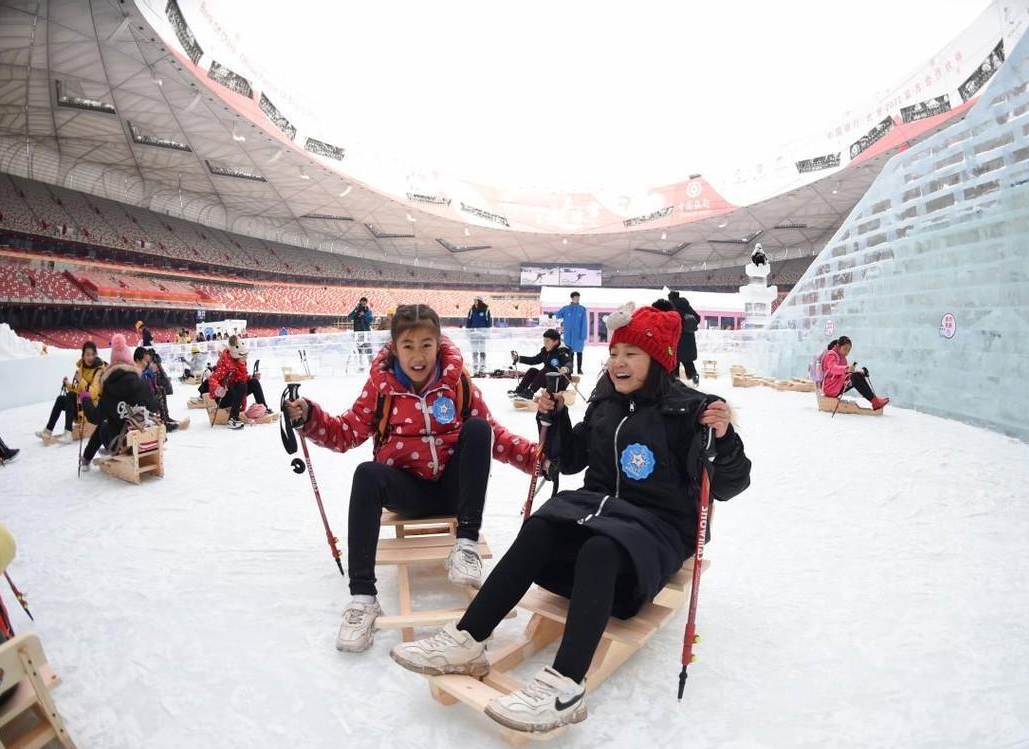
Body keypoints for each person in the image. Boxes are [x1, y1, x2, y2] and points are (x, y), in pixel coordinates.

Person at [390, 302, 752, 734]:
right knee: (543, 526)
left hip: (657, 528)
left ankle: (566, 684)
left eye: (631, 354)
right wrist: (555, 418)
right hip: (600, 511)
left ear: (658, 359)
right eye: (613, 353)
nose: (618, 363)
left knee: (601, 548)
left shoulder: (691, 410)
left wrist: (724, 439)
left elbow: (729, 485)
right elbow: (573, 459)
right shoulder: (606, 402)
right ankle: (469, 637)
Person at [281, 304, 538, 654]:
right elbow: (345, 433)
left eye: (426, 345)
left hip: (454, 490)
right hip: (408, 492)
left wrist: (538, 458)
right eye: (409, 345)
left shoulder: (457, 382)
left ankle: (465, 546)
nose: (418, 356)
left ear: (438, 343)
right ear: (394, 348)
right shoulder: (381, 388)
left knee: (479, 429)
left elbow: (496, 436)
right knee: (366, 473)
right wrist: (310, 416)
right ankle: (363, 598)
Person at [80, 335, 158, 471]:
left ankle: (86, 459)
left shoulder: (109, 388)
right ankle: (88, 458)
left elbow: (94, 417)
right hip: (145, 439)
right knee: (115, 423)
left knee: (103, 424)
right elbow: (154, 407)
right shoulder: (142, 382)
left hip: (122, 443)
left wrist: (85, 397)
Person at [36, 341, 104, 441]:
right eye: (88, 354)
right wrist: (67, 384)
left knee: (71, 395)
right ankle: (48, 431)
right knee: (60, 399)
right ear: (83, 356)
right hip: (80, 405)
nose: (90, 357)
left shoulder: (99, 370)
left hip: (90, 408)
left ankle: (68, 432)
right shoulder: (81, 369)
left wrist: (81, 380)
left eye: (93, 354)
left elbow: (93, 393)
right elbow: (77, 389)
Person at [206, 335, 269, 430]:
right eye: (243, 357)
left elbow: (241, 378)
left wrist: (252, 377)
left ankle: (263, 407)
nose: (245, 359)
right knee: (242, 385)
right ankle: (233, 418)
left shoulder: (240, 363)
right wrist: (218, 389)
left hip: (235, 392)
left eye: (245, 357)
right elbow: (212, 379)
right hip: (223, 397)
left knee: (253, 382)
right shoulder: (225, 365)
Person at [819, 336, 890, 411]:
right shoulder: (831, 355)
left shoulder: (842, 357)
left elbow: (845, 374)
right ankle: (875, 401)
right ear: (838, 346)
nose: (846, 352)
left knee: (857, 376)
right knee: (855, 377)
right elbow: (832, 368)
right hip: (830, 388)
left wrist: (861, 372)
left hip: (836, 385)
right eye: (845, 349)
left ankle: (874, 401)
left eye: (848, 350)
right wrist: (846, 369)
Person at [508, 329, 574, 401]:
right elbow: (534, 360)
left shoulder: (562, 351)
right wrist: (519, 359)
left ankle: (530, 392)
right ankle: (520, 390)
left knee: (545, 371)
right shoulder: (545, 351)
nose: (545, 343)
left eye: (547, 341)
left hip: (560, 381)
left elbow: (569, 363)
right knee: (532, 370)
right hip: (548, 379)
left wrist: (566, 368)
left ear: (556, 341)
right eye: (544, 341)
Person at [667, 289, 701, 385]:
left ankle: (675, 380)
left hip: (676, 338)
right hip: (688, 339)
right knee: (688, 361)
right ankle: (694, 375)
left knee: (675, 361)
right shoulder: (686, 306)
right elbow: (698, 318)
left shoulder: (670, 307)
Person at [555, 291, 588, 375]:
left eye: (578, 298)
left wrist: (583, 334)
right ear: (572, 298)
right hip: (569, 335)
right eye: (576, 297)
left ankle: (579, 369)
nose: (577, 299)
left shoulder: (582, 310)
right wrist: (552, 314)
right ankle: (571, 369)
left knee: (579, 353)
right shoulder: (566, 309)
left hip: (578, 335)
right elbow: (558, 314)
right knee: (570, 353)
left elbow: (584, 323)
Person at [465, 296, 493, 373]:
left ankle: (482, 367)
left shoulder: (486, 310)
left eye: (476, 300)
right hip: (473, 333)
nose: (474, 302)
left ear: (479, 301)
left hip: (482, 334)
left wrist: (487, 332)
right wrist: (468, 331)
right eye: (474, 300)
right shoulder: (472, 310)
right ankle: (475, 366)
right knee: (474, 350)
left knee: (482, 350)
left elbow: (488, 322)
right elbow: (469, 321)